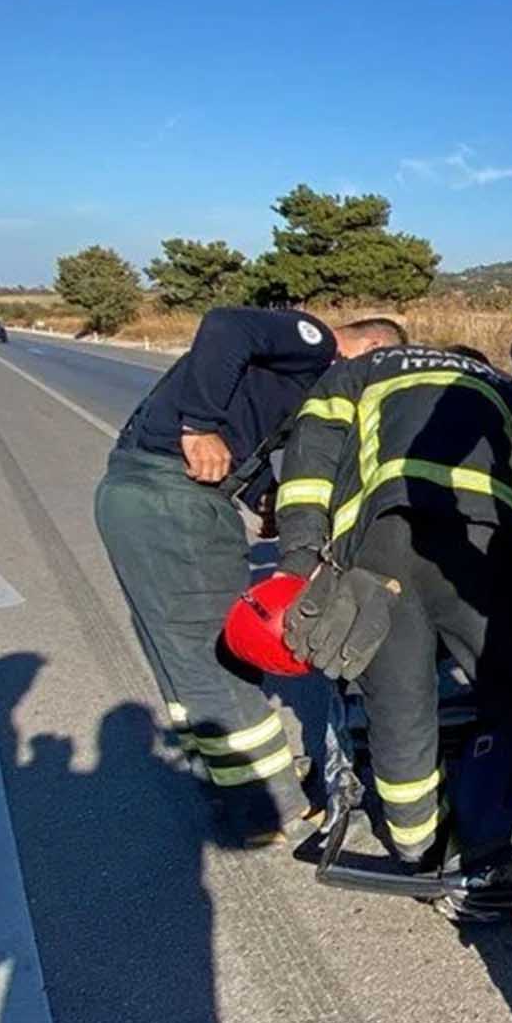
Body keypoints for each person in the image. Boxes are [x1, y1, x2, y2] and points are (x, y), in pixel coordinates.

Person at [262, 340, 512, 917]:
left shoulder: (359, 373)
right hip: (486, 550)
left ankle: (418, 850)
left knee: (400, 705)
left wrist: (299, 562)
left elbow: (307, 469)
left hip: (383, 551)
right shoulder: (505, 389)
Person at [95, 307, 404, 841]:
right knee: (219, 653)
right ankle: (268, 805)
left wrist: (261, 490)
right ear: (368, 350)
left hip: (143, 497)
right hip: (172, 499)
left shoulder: (293, 381)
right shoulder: (313, 345)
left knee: (183, 656)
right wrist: (199, 426)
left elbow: (249, 431)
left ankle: (228, 782)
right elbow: (225, 326)